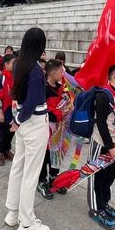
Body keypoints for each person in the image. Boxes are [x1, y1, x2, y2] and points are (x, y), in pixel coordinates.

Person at [5, 27, 51, 230]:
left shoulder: (19, 64)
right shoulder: (35, 69)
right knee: (30, 174)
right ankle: (26, 223)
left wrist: (17, 120)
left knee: (18, 167)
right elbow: (32, 103)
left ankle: (12, 212)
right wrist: (18, 120)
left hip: (23, 124)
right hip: (33, 123)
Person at [87, 64, 115, 230]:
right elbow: (101, 124)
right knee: (96, 175)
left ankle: (104, 203)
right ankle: (95, 209)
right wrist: (110, 146)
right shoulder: (104, 95)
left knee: (108, 176)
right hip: (102, 144)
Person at [37, 59, 66, 200]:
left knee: (56, 154)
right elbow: (43, 109)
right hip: (46, 127)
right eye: (61, 71)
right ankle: (42, 181)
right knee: (45, 154)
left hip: (59, 128)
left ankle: (54, 178)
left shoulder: (61, 87)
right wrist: (59, 113)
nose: (63, 73)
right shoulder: (42, 88)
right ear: (53, 73)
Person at [0, 53, 16, 166]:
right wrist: (0, 112)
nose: (15, 65)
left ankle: (7, 149)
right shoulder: (1, 78)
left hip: (13, 109)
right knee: (1, 131)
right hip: (3, 109)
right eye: (13, 63)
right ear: (6, 64)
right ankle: (0, 152)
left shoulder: (16, 76)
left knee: (11, 130)